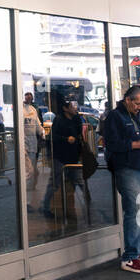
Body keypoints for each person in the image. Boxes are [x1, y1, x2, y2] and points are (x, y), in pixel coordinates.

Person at [101, 86, 140, 274]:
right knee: (133, 211)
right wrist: (137, 144)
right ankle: (130, 257)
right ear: (127, 100)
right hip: (127, 169)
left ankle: (139, 252)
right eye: (137, 103)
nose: (139, 107)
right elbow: (110, 144)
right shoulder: (114, 117)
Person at [43, 97, 84, 226]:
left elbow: (79, 136)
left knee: (79, 181)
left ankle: (87, 205)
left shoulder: (77, 119)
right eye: (72, 106)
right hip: (60, 157)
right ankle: (46, 207)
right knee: (55, 182)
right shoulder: (59, 120)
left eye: (75, 105)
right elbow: (52, 137)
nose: (75, 108)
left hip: (73, 157)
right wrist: (66, 139)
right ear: (65, 108)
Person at [21, 91, 44, 193]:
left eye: (30, 96)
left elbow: (38, 126)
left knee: (34, 169)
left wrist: (43, 133)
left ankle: (31, 188)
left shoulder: (33, 110)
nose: (28, 98)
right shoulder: (19, 109)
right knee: (28, 169)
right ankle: (24, 191)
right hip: (23, 141)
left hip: (33, 142)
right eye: (27, 96)